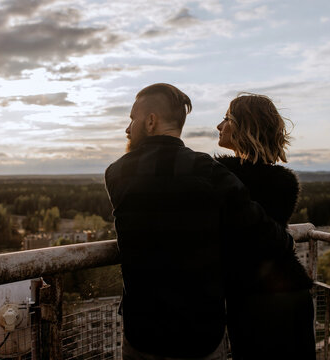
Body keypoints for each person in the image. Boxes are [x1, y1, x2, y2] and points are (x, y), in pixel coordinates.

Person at [105, 83, 292, 359]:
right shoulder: (210, 172)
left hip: (142, 332)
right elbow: (272, 239)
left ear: (151, 121)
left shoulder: (116, 173)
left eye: (132, 118)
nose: (127, 128)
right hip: (200, 334)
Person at [216, 93, 316, 359]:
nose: (219, 126)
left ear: (242, 126)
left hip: (254, 301)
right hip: (294, 294)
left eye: (226, 119)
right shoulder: (285, 182)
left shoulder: (219, 177)